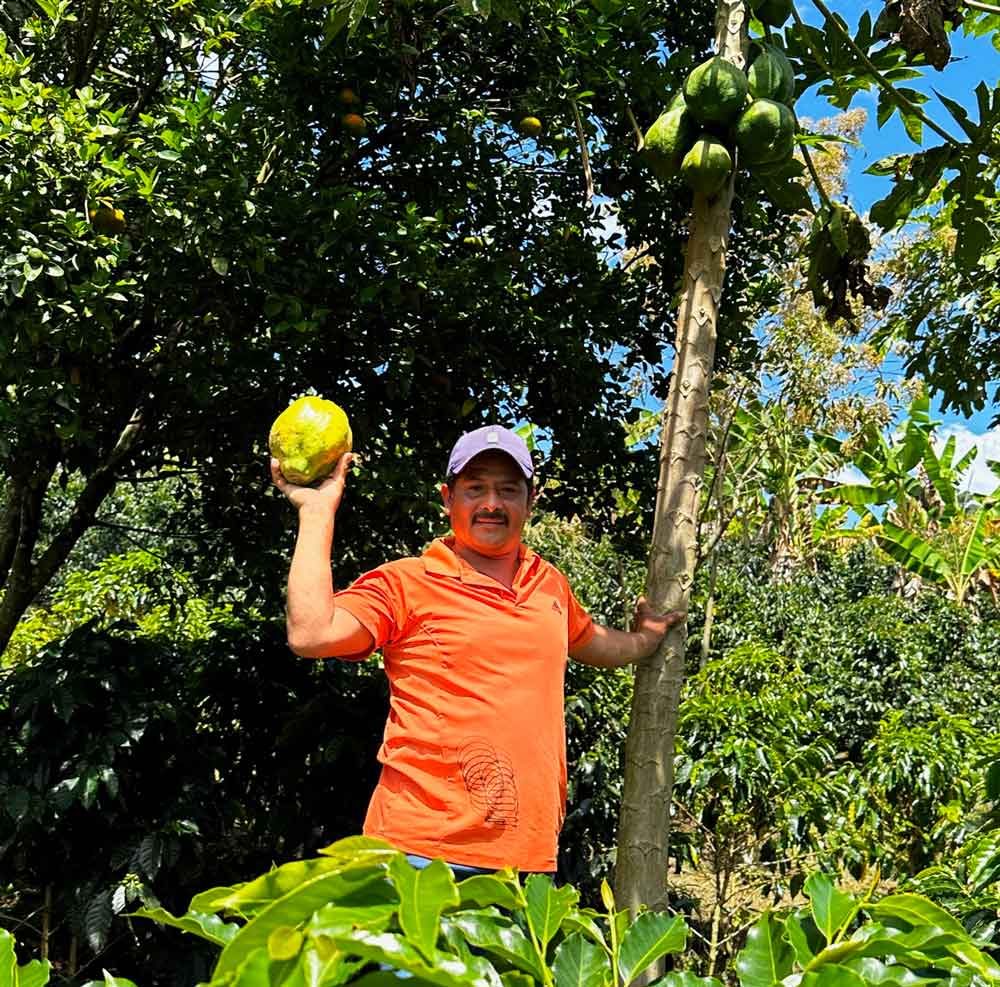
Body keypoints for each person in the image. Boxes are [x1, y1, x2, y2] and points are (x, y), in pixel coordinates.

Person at [271, 423, 684, 876]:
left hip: (527, 859)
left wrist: (645, 640)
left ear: (532, 501)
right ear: (447, 498)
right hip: (420, 855)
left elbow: (592, 643)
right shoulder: (407, 582)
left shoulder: (548, 584)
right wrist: (316, 513)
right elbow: (312, 632)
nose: (492, 504)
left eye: (508, 489)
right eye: (475, 488)